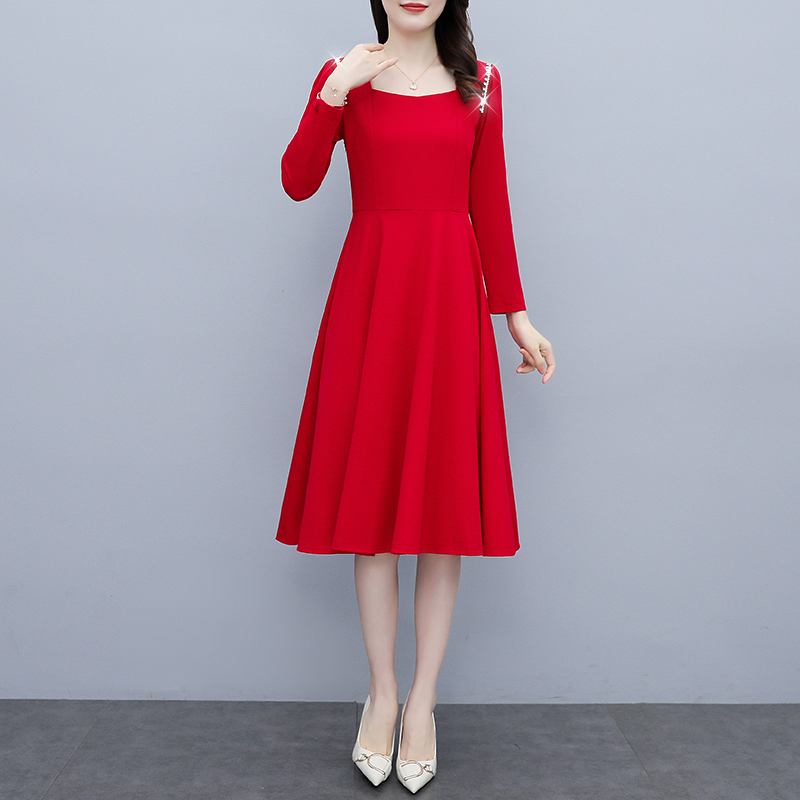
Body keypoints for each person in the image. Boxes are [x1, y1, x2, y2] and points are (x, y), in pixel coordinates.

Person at [276, 0, 554, 791]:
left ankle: (423, 703)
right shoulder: (345, 78)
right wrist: (334, 92)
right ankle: (383, 695)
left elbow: (490, 202)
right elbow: (297, 182)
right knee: (373, 519)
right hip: (371, 299)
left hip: (448, 302)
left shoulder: (482, 83)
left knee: (439, 514)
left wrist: (517, 316)